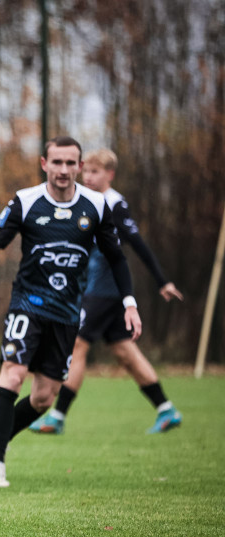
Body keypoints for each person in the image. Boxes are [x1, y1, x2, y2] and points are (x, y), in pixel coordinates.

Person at [0, 136, 141, 488]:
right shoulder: (26, 202)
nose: (63, 170)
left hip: (66, 313)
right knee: (12, 375)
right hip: (27, 304)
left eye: (70, 163)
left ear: (78, 166)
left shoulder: (95, 205)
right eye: (56, 162)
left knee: (45, 397)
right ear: (44, 163)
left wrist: (129, 302)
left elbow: (116, 257)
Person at [29, 149, 183, 435]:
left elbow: (138, 245)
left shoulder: (113, 204)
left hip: (102, 292)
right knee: (125, 351)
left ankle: (57, 416)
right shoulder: (89, 202)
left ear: (110, 174)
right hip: (101, 292)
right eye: (86, 171)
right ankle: (166, 409)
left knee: (77, 346)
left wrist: (162, 281)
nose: (88, 177)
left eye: (95, 172)